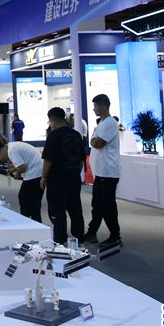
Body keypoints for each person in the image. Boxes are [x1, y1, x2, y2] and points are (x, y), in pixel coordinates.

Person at [41, 107, 85, 245]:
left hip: (57, 179)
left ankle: (60, 241)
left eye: (50, 122)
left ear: (53, 120)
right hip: (74, 177)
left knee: (58, 210)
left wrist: (43, 177)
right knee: (75, 209)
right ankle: (79, 239)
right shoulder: (76, 135)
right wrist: (76, 173)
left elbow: (48, 159)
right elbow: (81, 160)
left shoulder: (53, 136)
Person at [84, 94, 121, 247]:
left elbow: (97, 143)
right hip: (101, 172)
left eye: (95, 106)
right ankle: (92, 232)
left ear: (103, 106)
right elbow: (93, 141)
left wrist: (94, 140)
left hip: (108, 172)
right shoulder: (102, 123)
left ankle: (115, 236)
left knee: (107, 206)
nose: (94, 109)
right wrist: (94, 140)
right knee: (97, 205)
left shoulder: (110, 123)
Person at [0, 141, 44, 222]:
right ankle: (35, 221)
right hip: (39, 170)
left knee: (24, 198)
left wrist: (18, 174)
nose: (0, 158)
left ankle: (26, 221)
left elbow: (23, 167)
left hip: (35, 172)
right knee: (34, 201)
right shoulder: (12, 146)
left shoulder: (11, 151)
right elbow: (21, 164)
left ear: (2, 150)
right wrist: (10, 171)